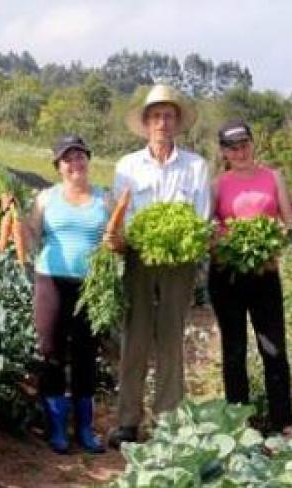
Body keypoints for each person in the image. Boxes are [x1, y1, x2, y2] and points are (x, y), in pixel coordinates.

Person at [106, 84, 212, 449]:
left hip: (179, 262)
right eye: (156, 116)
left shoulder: (196, 166)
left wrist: (180, 240)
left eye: (168, 116)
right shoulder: (127, 166)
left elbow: (201, 216)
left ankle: (167, 421)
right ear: (147, 123)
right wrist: (135, 239)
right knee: (134, 337)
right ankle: (127, 421)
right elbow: (123, 214)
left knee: (171, 339)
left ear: (177, 123)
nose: (162, 122)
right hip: (138, 258)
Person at [7, 134, 108, 454]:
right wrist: (13, 217)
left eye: (80, 156)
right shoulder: (46, 198)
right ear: (58, 166)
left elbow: (115, 239)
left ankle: (85, 429)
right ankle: (56, 429)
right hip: (50, 280)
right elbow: (31, 235)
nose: (75, 163)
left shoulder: (104, 199)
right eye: (68, 159)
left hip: (90, 285)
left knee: (85, 355)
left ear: (87, 161)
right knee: (50, 350)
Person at [208, 119, 292, 434]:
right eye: (233, 147)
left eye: (244, 144)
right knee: (234, 350)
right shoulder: (217, 184)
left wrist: (272, 240)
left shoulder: (273, 177)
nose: (240, 151)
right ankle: (239, 423)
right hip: (227, 276)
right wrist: (225, 244)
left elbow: (289, 223)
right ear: (224, 152)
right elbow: (209, 229)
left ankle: (283, 421)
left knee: (273, 348)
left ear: (252, 143)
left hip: (265, 274)